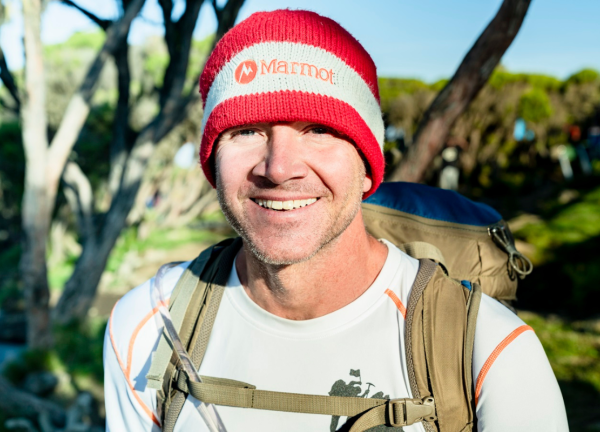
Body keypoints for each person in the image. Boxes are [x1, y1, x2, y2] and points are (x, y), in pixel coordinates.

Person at [104, 9, 568, 432]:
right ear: (212, 161)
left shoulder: (489, 353)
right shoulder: (148, 326)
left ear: (368, 167)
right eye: (247, 130)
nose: (279, 167)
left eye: (319, 130)